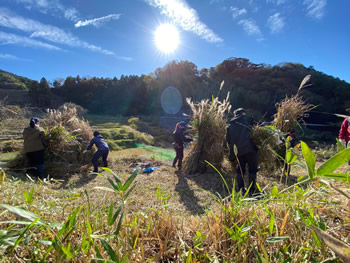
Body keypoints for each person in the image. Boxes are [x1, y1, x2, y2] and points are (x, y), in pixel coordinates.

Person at [226, 108, 258, 196]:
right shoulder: (250, 120)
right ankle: (251, 190)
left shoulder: (230, 125)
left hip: (238, 151)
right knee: (252, 169)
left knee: (240, 169)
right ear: (243, 113)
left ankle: (240, 189)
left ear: (235, 114)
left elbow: (228, 140)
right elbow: (258, 133)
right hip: (250, 149)